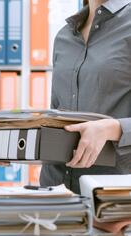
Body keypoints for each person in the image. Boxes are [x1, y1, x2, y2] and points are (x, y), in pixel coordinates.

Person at [39, 0, 131, 193]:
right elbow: (56, 115)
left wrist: (112, 128)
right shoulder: (64, 36)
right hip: (55, 189)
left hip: (111, 194)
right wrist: (16, 147)